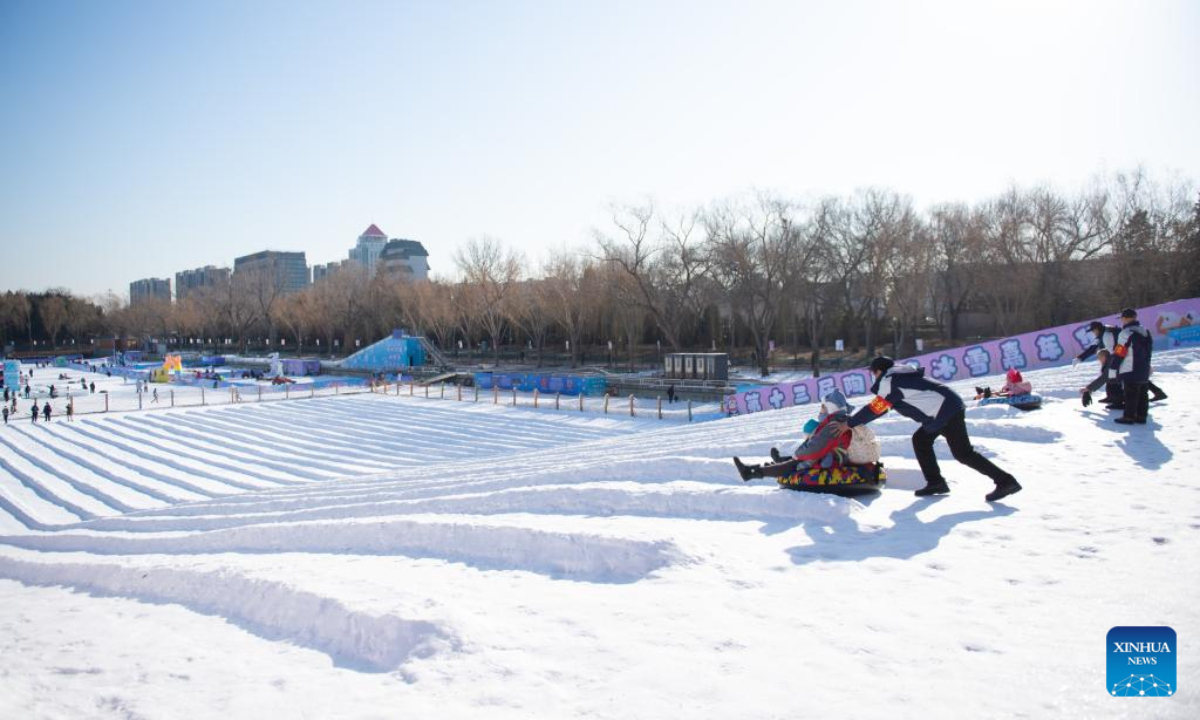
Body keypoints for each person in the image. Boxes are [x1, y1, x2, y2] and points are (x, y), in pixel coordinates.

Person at [832, 356, 1022, 502]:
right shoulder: (899, 376)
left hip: (945, 411)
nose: (873, 377)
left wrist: (849, 423)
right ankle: (935, 482)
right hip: (942, 411)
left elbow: (876, 408)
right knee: (921, 440)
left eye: (873, 373)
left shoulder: (890, 381)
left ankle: (1005, 481)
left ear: (880, 371)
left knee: (963, 453)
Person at [734, 390, 878, 481]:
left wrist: (797, 455)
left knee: (794, 464)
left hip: (834, 460)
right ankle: (761, 468)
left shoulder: (834, 424)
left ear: (829, 407)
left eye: (823, 406)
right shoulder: (841, 420)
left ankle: (750, 472)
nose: (822, 410)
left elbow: (815, 448)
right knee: (797, 460)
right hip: (837, 455)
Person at [1112, 308, 1153, 425]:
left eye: (1122, 319)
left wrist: (1114, 366)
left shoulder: (1125, 332)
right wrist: (1147, 364)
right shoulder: (1145, 331)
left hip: (1130, 367)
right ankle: (1141, 416)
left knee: (1131, 393)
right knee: (1143, 393)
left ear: (1125, 318)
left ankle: (1129, 417)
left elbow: (1120, 351)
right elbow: (1149, 350)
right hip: (1144, 366)